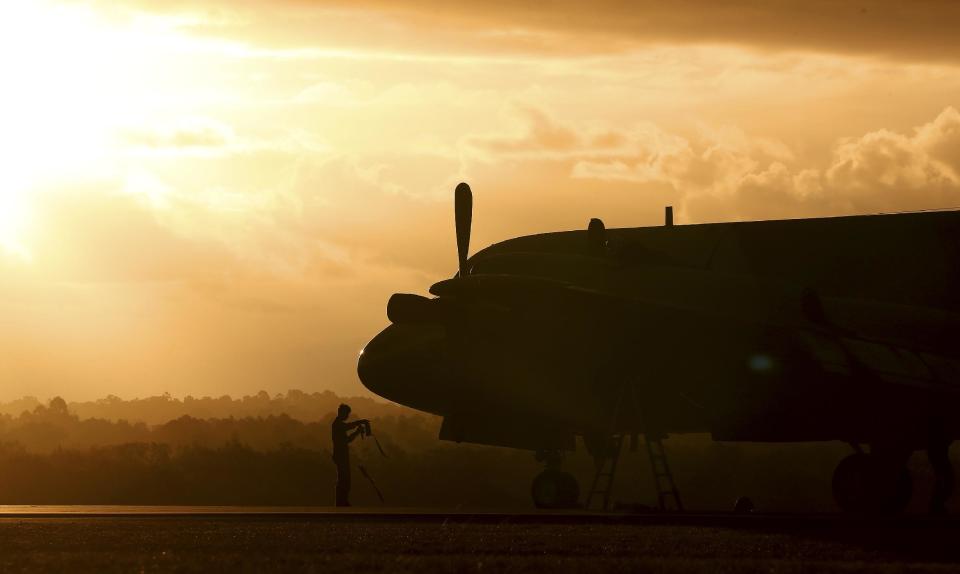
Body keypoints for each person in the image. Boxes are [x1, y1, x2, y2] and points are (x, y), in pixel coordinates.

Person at [331, 403, 369, 507]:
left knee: (345, 479)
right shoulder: (337, 424)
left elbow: (347, 440)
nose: (347, 416)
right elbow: (347, 427)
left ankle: (342, 501)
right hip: (340, 455)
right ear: (341, 413)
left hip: (342, 455)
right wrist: (359, 422)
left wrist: (357, 432)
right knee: (343, 479)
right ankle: (340, 503)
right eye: (347, 414)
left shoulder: (339, 425)